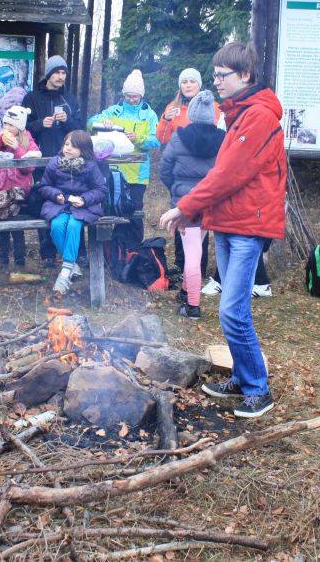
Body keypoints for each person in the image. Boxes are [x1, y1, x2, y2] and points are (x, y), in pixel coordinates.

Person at [159, 42, 285, 418]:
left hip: (248, 225)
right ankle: (243, 378)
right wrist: (195, 211)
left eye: (222, 75)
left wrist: (186, 206)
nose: (216, 81)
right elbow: (221, 174)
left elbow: (229, 174)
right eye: (214, 75)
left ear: (245, 75)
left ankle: (258, 389)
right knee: (231, 310)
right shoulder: (237, 114)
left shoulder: (258, 116)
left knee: (233, 311)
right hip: (230, 221)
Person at [160, 90, 225, 319]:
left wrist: (176, 192)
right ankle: (187, 291)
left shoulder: (179, 137)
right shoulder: (224, 139)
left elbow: (165, 169)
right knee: (196, 248)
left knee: (192, 254)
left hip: (185, 204)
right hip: (210, 203)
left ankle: (193, 305)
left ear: (192, 114)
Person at [24, 55, 83, 265]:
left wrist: (68, 121)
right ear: (48, 74)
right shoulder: (32, 98)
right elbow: (22, 129)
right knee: (46, 203)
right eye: (57, 72)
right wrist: (40, 124)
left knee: (72, 204)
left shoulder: (69, 99)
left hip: (69, 162)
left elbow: (80, 131)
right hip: (41, 162)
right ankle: (48, 254)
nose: (60, 76)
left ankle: (77, 253)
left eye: (63, 72)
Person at [88, 69, 160, 237]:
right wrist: (102, 121)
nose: (131, 100)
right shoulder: (114, 111)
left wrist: (138, 138)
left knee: (134, 214)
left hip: (137, 175)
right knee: (111, 211)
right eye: (128, 96)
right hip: (113, 172)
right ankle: (113, 248)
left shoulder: (149, 115)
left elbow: (156, 140)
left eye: (135, 96)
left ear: (141, 95)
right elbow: (90, 123)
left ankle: (134, 248)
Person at [37, 130, 107, 295]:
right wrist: (56, 195)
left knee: (74, 226)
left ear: (83, 150)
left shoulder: (90, 166)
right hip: (59, 205)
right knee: (56, 226)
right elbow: (44, 186)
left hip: (83, 207)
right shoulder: (55, 163)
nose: (68, 148)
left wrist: (84, 199)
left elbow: (101, 189)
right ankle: (72, 265)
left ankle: (65, 273)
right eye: (67, 144)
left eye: (74, 146)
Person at [0, 105, 42, 265]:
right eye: (5, 124)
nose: (7, 127)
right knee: (2, 229)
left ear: (20, 127)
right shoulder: (0, 141)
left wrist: (16, 148)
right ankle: (3, 261)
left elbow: (28, 168)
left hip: (18, 195)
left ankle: (20, 260)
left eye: (11, 125)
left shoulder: (28, 142)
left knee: (16, 229)